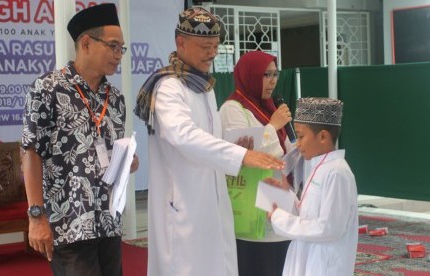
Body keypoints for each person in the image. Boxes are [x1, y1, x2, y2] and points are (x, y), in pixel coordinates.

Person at [134, 7, 284, 276]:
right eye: (205, 46)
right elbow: (184, 135)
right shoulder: (169, 86)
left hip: (213, 199)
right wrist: (240, 156)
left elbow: (210, 140)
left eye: (215, 46)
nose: (212, 53)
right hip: (183, 204)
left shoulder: (204, 88)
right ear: (181, 43)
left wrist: (241, 147)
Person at [21, 4, 139, 276]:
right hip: (69, 223)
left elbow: (107, 154)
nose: (118, 55)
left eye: (122, 48)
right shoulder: (48, 88)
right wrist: (36, 216)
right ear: (86, 43)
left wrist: (126, 162)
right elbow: (31, 152)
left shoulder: (115, 98)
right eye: (112, 46)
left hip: (108, 221)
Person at [219, 51, 294, 276]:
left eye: (275, 74)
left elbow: (283, 154)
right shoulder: (233, 108)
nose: (272, 80)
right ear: (249, 74)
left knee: (279, 257)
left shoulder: (269, 107)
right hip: (251, 196)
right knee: (256, 261)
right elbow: (244, 155)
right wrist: (272, 126)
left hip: (276, 193)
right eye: (265, 74)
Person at [267, 97, 358, 276]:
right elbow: (308, 213)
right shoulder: (320, 166)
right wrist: (288, 195)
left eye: (301, 136)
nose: (298, 144)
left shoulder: (337, 172)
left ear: (323, 136)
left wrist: (280, 219)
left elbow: (329, 228)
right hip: (309, 258)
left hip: (324, 265)